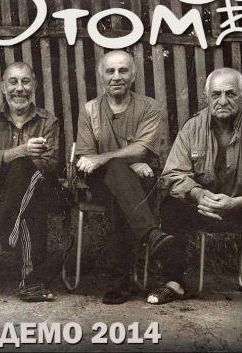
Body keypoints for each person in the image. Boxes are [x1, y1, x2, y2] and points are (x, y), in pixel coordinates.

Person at [148, 67, 242, 315]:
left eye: (230, 93)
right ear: (206, 97)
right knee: (171, 205)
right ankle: (174, 282)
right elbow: (174, 174)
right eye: (216, 94)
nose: (222, 101)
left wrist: (237, 202)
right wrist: (199, 194)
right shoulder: (192, 128)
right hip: (203, 208)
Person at [75, 50, 174, 305]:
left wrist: (107, 158)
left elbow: (143, 149)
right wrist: (126, 162)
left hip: (141, 181)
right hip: (99, 181)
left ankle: (119, 282)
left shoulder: (150, 107)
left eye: (123, 70)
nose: (116, 76)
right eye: (110, 71)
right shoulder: (89, 110)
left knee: (121, 194)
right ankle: (151, 235)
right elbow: (87, 158)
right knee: (118, 176)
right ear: (101, 76)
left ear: (134, 75)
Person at [0, 61, 60, 302]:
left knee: (25, 172)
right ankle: (30, 282)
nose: (20, 88)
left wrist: (6, 162)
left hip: (40, 188)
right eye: (13, 82)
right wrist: (22, 151)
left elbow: (50, 164)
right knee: (28, 196)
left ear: (34, 86)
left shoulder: (47, 120)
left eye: (25, 81)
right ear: (2, 87)